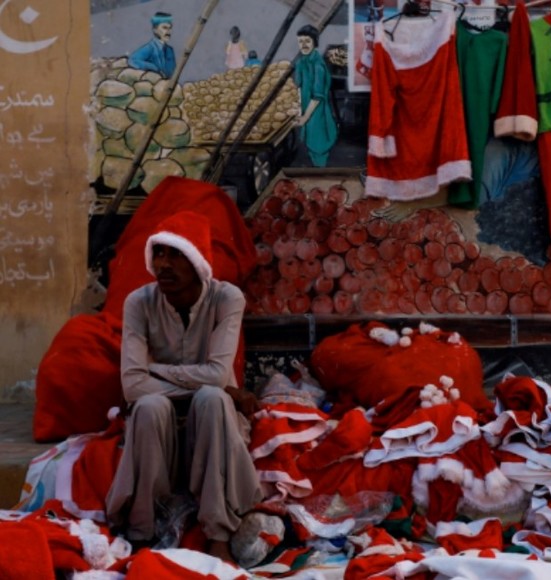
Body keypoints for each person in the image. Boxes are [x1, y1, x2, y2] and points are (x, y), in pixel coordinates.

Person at [105, 211, 263, 563]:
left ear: (197, 262)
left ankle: (218, 531)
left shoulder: (227, 298)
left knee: (211, 399)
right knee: (147, 406)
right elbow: (132, 386)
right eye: (159, 254)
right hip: (160, 426)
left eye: (176, 255)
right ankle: (143, 527)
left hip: (213, 423)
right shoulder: (139, 303)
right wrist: (215, 385)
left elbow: (218, 376)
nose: (163, 265)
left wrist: (156, 369)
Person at [292, 25, 338, 167]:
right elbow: (296, 87)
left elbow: (317, 97)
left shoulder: (318, 66)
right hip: (305, 110)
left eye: (307, 41)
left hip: (317, 113)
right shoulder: (300, 62)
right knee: (310, 148)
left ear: (314, 42)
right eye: (300, 41)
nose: (304, 45)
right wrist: (297, 110)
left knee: (318, 149)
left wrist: (305, 118)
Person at [129, 12, 177, 78]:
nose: (168, 32)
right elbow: (133, 60)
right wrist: (154, 68)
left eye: (170, 28)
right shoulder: (150, 48)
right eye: (164, 28)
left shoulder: (170, 50)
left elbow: (172, 73)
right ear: (155, 30)